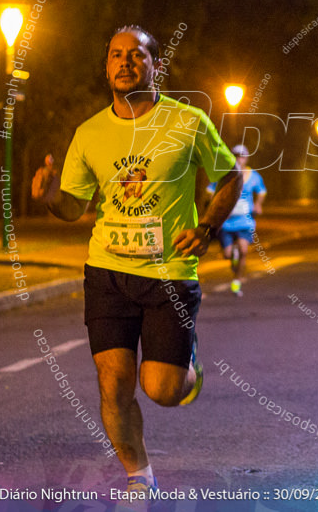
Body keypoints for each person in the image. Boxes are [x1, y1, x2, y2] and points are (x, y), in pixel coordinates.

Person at [31, 25, 243, 496]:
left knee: (162, 390)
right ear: (106, 67)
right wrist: (49, 195)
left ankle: (188, 363)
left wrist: (207, 227)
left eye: (136, 55)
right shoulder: (89, 134)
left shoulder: (188, 122)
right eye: (115, 55)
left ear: (156, 65)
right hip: (107, 270)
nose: (124, 62)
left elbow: (231, 176)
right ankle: (139, 477)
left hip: (168, 274)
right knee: (114, 380)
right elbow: (72, 206)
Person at [208, 144, 266, 296]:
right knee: (227, 255)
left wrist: (258, 205)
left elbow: (261, 192)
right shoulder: (224, 174)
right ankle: (232, 257)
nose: (239, 159)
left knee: (244, 250)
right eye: (236, 156)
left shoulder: (253, 176)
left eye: (242, 156)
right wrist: (217, 205)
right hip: (226, 222)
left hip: (245, 220)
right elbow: (210, 191)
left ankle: (237, 281)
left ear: (246, 158)